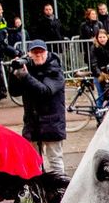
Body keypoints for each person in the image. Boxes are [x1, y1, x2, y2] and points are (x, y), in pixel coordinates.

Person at [8, 41, 66, 175]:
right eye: (35, 52)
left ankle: (60, 193)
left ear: (47, 53)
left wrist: (26, 77)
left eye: (41, 52)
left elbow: (45, 91)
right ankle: (38, 192)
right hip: (32, 124)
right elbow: (14, 92)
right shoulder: (27, 67)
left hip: (52, 124)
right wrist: (13, 74)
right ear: (29, 54)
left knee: (55, 163)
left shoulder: (55, 70)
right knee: (32, 163)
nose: (38, 55)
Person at [89, 29, 109, 108]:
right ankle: (99, 112)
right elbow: (94, 64)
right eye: (100, 37)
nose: (102, 39)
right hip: (99, 74)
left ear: (107, 37)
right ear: (97, 38)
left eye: (103, 37)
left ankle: (108, 111)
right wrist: (101, 74)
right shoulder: (94, 48)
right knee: (101, 95)